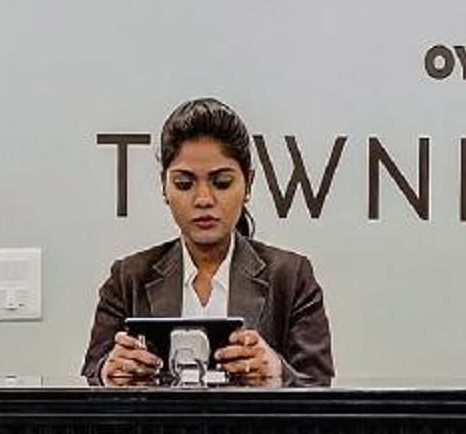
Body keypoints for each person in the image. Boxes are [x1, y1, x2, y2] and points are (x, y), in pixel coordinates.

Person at [84, 98, 335, 387]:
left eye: (222, 182)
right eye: (184, 184)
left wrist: (279, 372)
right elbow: (90, 378)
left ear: (248, 185)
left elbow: (320, 387)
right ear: (164, 187)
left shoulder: (291, 277)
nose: (203, 199)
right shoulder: (128, 279)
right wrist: (109, 371)